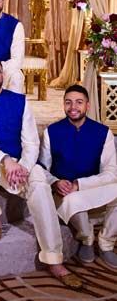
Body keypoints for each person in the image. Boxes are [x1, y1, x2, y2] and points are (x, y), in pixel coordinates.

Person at [0, 57, 82, 288]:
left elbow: (31, 142)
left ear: (2, 75)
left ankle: (54, 259)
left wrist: (23, 167)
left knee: (40, 185)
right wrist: (5, 161)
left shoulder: (20, 101)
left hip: (22, 165)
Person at [40, 84, 117, 269]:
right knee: (73, 200)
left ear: (87, 106)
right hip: (64, 194)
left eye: (78, 102)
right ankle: (87, 239)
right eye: (68, 102)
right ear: (63, 105)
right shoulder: (51, 132)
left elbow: (111, 172)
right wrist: (55, 182)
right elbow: (42, 167)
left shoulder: (102, 132)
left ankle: (106, 242)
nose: (73, 107)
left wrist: (80, 184)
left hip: (91, 189)